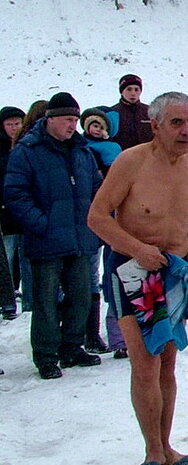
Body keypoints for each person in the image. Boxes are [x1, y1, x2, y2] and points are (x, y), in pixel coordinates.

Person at [87, 92, 188, 465]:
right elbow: (97, 217)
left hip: (175, 272)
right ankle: (152, 452)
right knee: (145, 362)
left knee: (169, 362)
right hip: (131, 270)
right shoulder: (132, 162)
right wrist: (138, 249)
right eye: (177, 123)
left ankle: (167, 445)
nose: (186, 130)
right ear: (155, 125)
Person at [4, 93, 103, 379]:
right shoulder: (28, 150)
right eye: (68, 120)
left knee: (81, 296)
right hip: (46, 239)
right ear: (51, 119)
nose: (74, 125)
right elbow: (15, 193)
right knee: (46, 302)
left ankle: (72, 347)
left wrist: (95, 222)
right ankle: (46, 356)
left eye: (76, 120)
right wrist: (41, 223)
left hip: (81, 237)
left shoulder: (83, 151)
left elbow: (98, 188)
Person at [81, 108, 127, 357]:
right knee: (90, 277)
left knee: (114, 275)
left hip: (114, 217)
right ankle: (89, 333)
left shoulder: (114, 151)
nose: (96, 130)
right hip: (90, 219)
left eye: (101, 126)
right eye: (92, 125)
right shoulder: (79, 149)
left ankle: (119, 337)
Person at [0, 105, 27, 316]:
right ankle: (7, 294)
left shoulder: (26, 146)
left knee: (25, 255)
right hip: (5, 213)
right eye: (9, 124)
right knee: (7, 256)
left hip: (25, 212)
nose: (14, 128)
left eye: (17, 123)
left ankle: (25, 294)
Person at [108, 73, 154, 149]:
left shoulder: (150, 111)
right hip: (122, 157)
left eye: (136, 89)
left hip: (148, 157)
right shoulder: (112, 113)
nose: (133, 93)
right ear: (122, 91)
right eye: (129, 89)